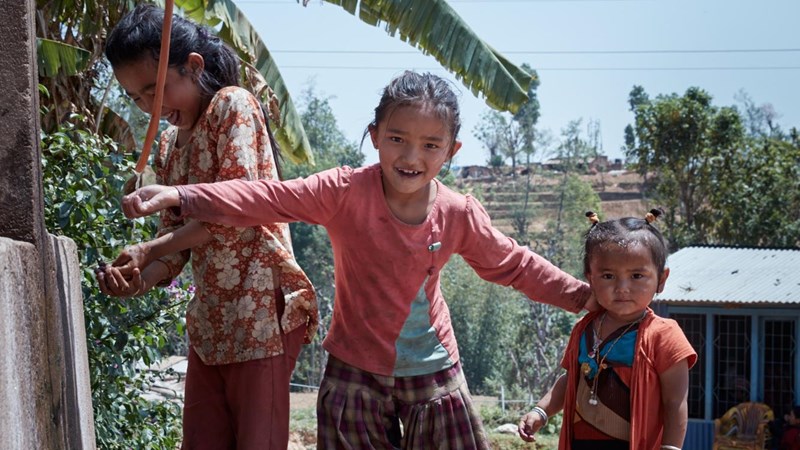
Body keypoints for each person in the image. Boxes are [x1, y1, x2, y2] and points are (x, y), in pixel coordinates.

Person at [117, 70, 597, 449]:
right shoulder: (343, 191)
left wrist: (583, 297)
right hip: (354, 372)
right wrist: (181, 195)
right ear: (375, 135)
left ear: (451, 151)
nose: (412, 156)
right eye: (397, 139)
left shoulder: (457, 213)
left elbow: (515, 264)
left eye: (431, 145)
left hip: (434, 373)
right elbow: (266, 197)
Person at [94, 5, 318, 449]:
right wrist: (139, 278)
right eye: (136, 99)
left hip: (261, 319)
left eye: (155, 91)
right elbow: (174, 248)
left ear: (193, 66)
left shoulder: (232, 106)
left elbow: (236, 211)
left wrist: (151, 249)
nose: (150, 108)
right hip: (211, 328)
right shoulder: (168, 144)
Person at [519, 209, 697, 450]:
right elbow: (571, 379)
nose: (622, 287)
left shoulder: (664, 336)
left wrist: (671, 448)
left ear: (661, 279)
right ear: (590, 279)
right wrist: (541, 411)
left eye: (637, 275)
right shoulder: (584, 329)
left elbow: (675, 401)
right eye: (608, 276)